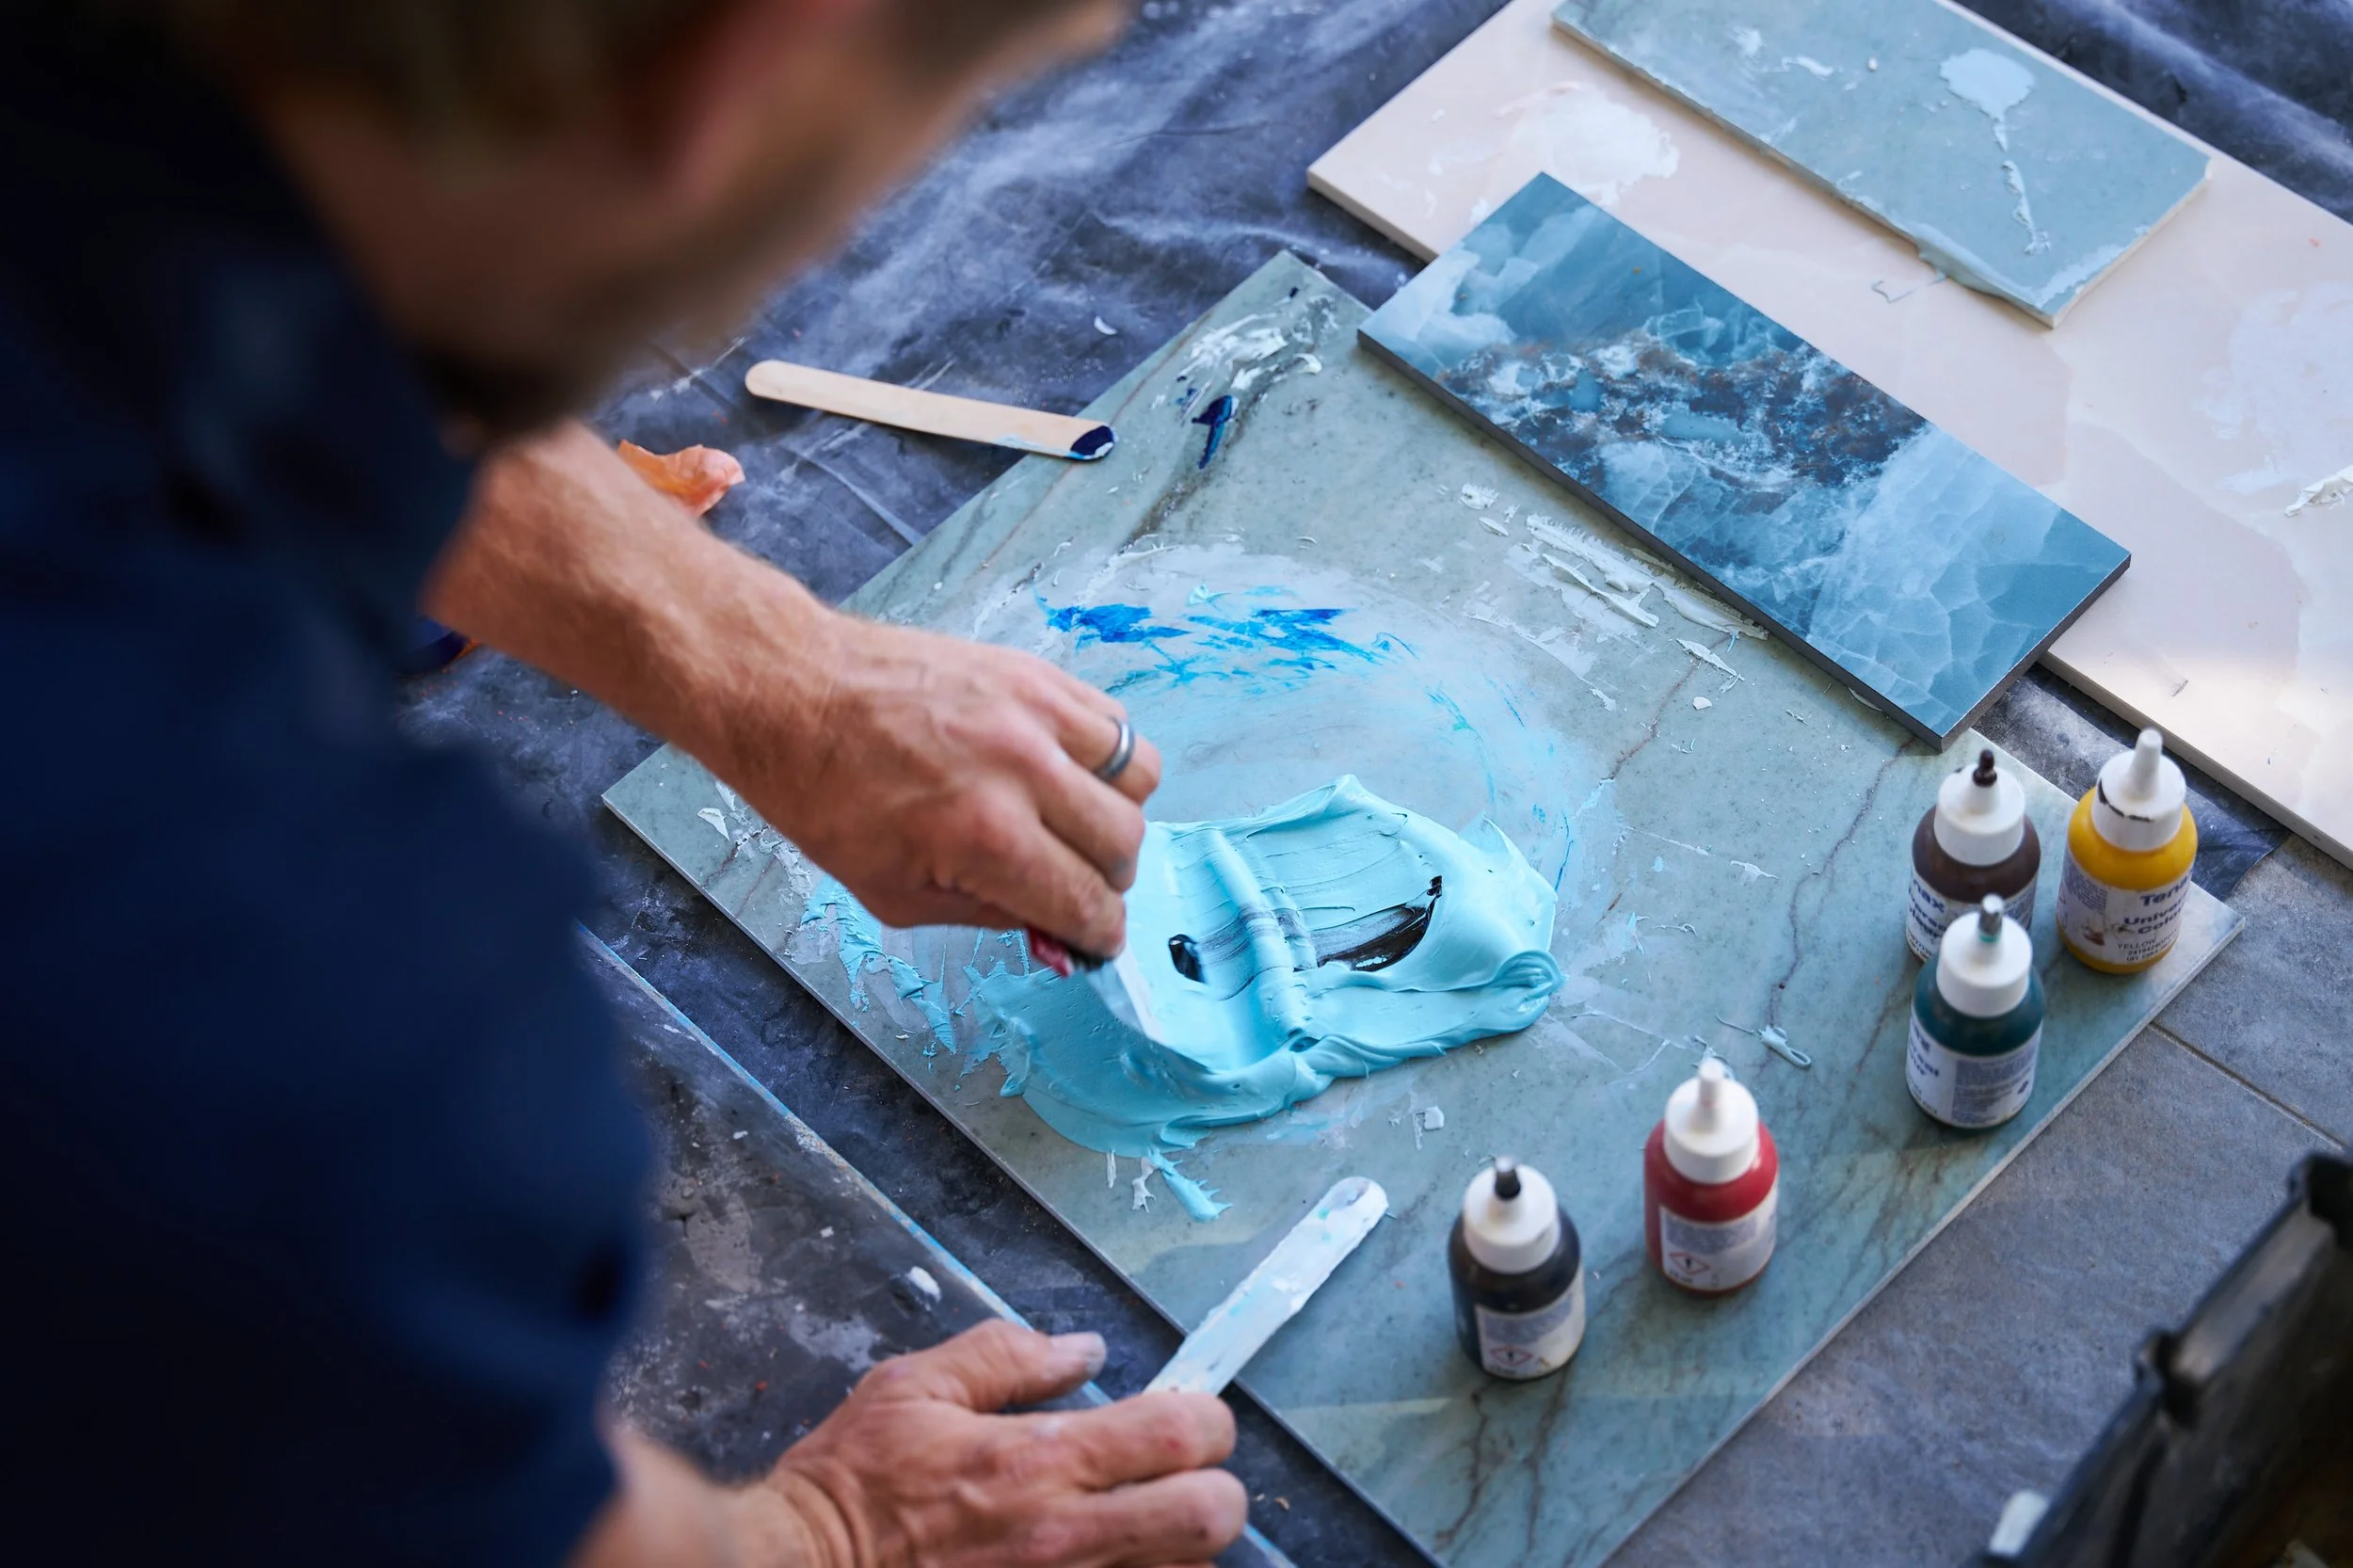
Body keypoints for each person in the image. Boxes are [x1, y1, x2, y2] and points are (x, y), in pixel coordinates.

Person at [0, 1, 1248, 1564]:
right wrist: (829, 1533)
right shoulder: (258, 999)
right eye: (974, 97)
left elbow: (334, 274)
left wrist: (774, 674)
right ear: (742, 70)